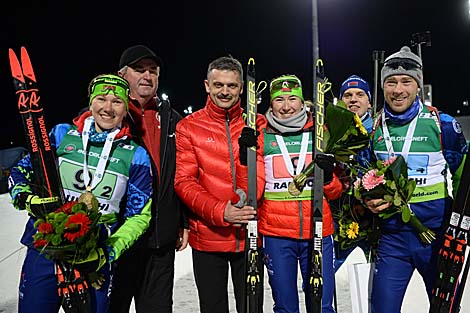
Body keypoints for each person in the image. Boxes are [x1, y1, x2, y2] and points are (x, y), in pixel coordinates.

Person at [8, 74, 153, 313]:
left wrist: (107, 251)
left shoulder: (135, 155)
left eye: (117, 102)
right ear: (91, 101)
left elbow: (139, 216)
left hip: (93, 256)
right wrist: (27, 199)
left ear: (126, 108)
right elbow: (22, 171)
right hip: (45, 248)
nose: (108, 108)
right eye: (101, 99)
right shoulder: (61, 135)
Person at [363, 46, 467, 313]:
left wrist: (462, 223)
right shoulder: (372, 128)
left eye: (406, 82)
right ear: (383, 87)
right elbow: (364, 176)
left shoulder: (442, 124)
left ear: (418, 85)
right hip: (393, 238)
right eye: (391, 82)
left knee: (445, 308)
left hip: (435, 235)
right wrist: (368, 200)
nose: (398, 90)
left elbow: (462, 177)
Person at [174, 55, 266, 313]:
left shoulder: (257, 123)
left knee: (252, 307)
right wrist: (220, 211)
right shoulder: (189, 127)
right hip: (208, 237)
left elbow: (261, 175)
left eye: (231, 86)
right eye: (218, 85)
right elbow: (184, 180)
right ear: (207, 85)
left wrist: (247, 202)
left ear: (241, 87)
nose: (225, 91)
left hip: (249, 235)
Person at [109, 44, 189, 313]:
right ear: (122, 75)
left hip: (160, 241)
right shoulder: (108, 116)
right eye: (139, 70)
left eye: (152, 71)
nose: (147, 76)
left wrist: (182, 222)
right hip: (117, 238)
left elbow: (182, 174)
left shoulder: (173, 119)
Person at [257, 74, 342, 313]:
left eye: (292, 99)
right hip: (276, 233)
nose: (286, 106)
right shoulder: (262, 135)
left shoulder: (320, 133)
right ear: (270, 104)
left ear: (303, 101)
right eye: (279, 100)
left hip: (317, 230)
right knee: (285, 307)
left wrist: (327, 179)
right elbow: (253, 187)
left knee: (323, 306)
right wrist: (246, 157)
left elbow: (336, 192)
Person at [332, 74, 376, 271]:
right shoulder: (331, 131)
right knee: (333, 270)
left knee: (374, 272)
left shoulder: (379, 130)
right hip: (339, 213)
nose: (353, 99)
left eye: (360, 94)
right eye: (347, 95)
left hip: (372, 213)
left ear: (369, 101)